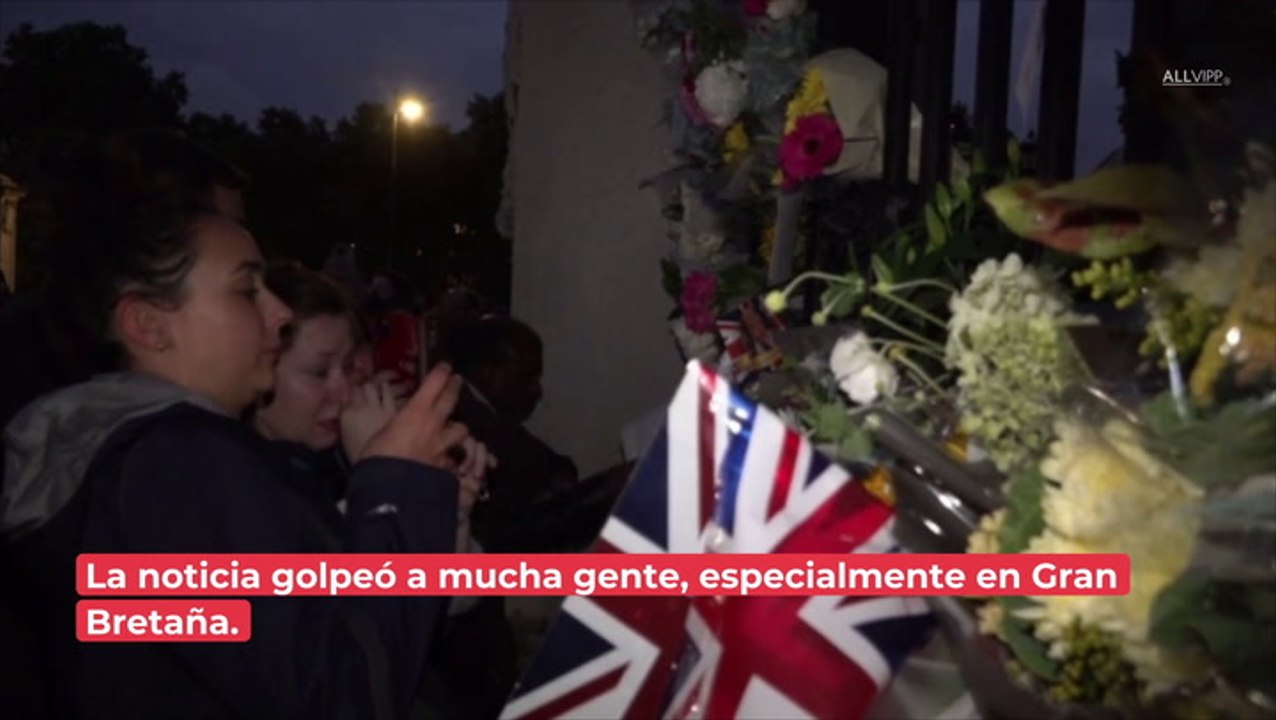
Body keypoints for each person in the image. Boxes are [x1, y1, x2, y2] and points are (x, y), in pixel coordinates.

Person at [1, 144, 474, 719]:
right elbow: (342, 693)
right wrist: (396, 488)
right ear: (148, 324)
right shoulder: (178, 468)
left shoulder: (153, 464)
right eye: (247, 291)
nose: (278, 313)